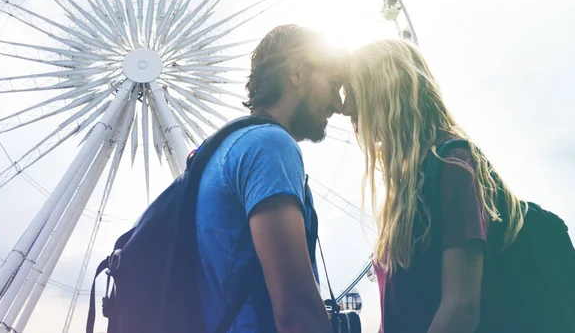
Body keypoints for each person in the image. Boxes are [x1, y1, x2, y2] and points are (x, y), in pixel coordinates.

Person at [342, 39, 525, 333]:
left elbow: (461, 308)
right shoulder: (410, 181)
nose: (344, 106)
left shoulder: (454, 166)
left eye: (353, 92)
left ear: (384, 92)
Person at [196, 24, 345, 332]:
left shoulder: (220, 152)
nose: (338, 105)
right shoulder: (269, 146)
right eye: (333, 84)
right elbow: (296, 308)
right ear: (298, 73)